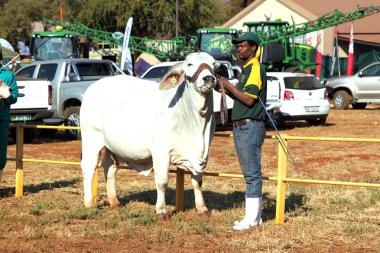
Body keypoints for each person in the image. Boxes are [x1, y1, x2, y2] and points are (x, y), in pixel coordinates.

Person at [217, 32, 267, 231]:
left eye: (243, 45)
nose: (238, 49)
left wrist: (229, 85)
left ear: (253, 48)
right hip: (243, 126)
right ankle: (254, 217)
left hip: (250, 126)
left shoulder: (254, 67)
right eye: (237, 46)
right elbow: (240, 96)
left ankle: (252, 219)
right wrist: (223, 87)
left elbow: (248, 99)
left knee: (252, 174)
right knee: (250, 173)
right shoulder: (246, 69)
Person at [0, 65, 19, 183]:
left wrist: (8, 96)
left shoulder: (7, 75)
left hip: (1, 118)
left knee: (1, 152)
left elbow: (15, 96)